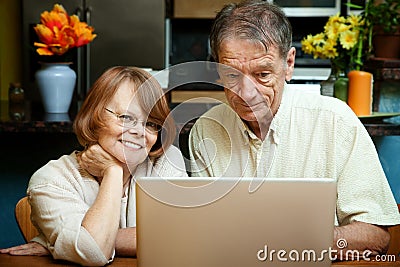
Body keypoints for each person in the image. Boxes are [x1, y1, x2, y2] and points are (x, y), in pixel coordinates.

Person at [188, 0, 400, 259]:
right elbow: (206, 230)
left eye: (262, 74)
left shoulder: (335, 121)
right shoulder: (206, 129)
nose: (246, 93)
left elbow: (377, 236)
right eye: (232, 76)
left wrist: (295, 241)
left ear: (288, 64)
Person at [0, 66, 188, 265]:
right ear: (94, 116)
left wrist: (64, 243)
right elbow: (93, 253)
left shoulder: (165, 161)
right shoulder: (52, 179)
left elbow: (183, 237)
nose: (140, 132)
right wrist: (113, 171)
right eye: (126, 118)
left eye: (150, 123)